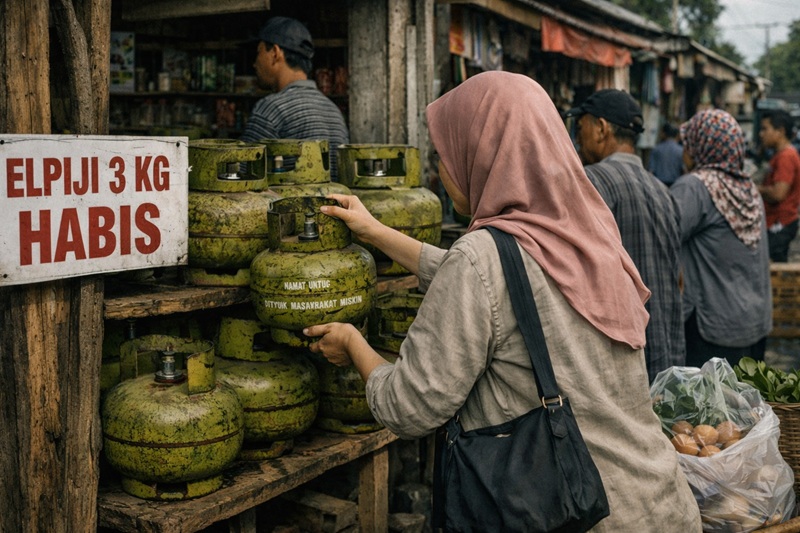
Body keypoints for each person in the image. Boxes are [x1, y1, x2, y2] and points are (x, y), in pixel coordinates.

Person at [304, 71, 701, 531]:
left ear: (483, 152)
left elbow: (407, 407)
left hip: (578, 517)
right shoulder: (587, 235)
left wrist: (353, 344)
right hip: (659, 504)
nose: (441, 170)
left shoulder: (483, 258)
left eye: (445, 154)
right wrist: (375, 231)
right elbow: (497, 285)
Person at [566, 89, 685, 382]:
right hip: (666, 354)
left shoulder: (592, 181)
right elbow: (678, 278)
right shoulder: (663, 191)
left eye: (580, 128)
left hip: (621, 359)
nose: (577, 139)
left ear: (601, 128)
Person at [671, 109, 771, 368]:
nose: (684, 153)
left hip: (710, 327)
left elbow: (663, 237)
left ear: (700, 148)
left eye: (687, 145)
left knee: (706, 395)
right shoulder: (749, 188)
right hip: (754, 323)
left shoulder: (695, 187)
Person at [240, 16, 349, 180]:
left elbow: (242, 174)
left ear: (275, 53)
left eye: (258, 52)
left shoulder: (272, 108)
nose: (255, 64)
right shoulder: (333, 111)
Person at [757, 109, 800, 262]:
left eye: (765, 129)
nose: (761, 134)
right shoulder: (780, 155)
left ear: (780, 131)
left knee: (773, 265)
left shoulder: (786, 157)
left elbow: (778, 193)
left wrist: (756, 189)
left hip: (780, 222)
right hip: (776, 221)